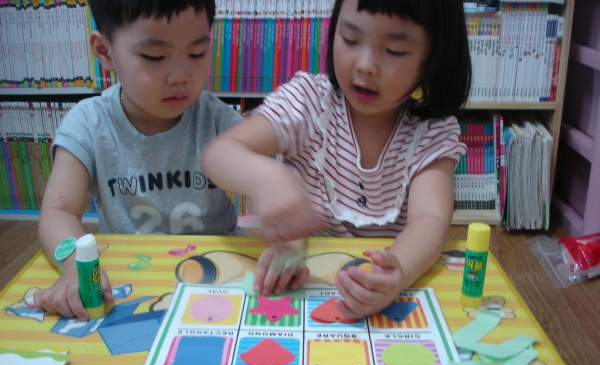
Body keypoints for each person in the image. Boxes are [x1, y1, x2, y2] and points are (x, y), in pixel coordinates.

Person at [203, 0, 471, 319]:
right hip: (305, 287)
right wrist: (268, 181)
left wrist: (397, 271)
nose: (366, 65)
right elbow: (219, 154)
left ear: (434, 58)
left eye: (395, 51)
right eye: (351, 39)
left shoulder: (432, 132)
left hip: (379, 302)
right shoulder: (309, 102)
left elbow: (430, 219)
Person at [35, 0, 244, 320]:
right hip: (127, 283)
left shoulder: (216, 118)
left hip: (218, 277)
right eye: (155, 57)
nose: (180, 76)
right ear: (105, 51)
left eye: (197, 53)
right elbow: (57, 212)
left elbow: (263, 167)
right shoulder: (88, 124)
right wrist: (75, 266)